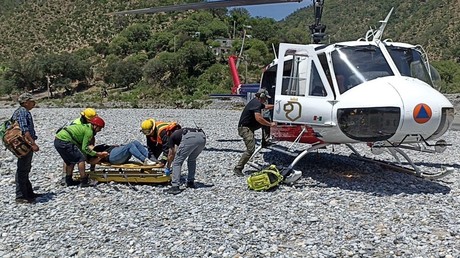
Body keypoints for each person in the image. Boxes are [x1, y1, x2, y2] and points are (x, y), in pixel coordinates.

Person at [54, 117, 109, 187]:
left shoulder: (84, 127)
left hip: (58, 141)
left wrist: (87, 154)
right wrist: (97, 154)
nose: (100, 130)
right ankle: (84, 180)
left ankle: (68, 180)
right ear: (95, 126)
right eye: (100, 128)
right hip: (65, 141)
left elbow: (80, 146)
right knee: (81, 160)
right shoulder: (89, 131)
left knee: (69, 161)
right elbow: (85, 148)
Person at [233, 88, 275, 176]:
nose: (266, 100)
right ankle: (238, 168)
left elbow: (265, 107)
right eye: (265, 98)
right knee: (250, 149)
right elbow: (258, 118)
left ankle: (265, 141)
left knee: (266, 120)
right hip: (245, 129)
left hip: (250, 126)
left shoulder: (256, 102)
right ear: (261, 96)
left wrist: (276, 106)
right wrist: (270, 124)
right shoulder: (257, 104)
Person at [11, 93, 41, 203]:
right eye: (32, 101)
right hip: (24, 144)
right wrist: (33, 144)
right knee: (23, 169)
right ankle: (20, 196)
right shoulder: (23, 112)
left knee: (25, 168)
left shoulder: (20, 111)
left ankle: (28, 192)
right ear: (26, 102)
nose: (34, 103)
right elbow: (25, 130)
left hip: (21, 144)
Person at [163, 127, 207, 194]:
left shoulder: (171, 137)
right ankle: (190, 182)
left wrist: (168, 167)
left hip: (189, 138)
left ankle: (175, 186)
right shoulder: (179, 133)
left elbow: (171, 154)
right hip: (202, 137)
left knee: (177, 163)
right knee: (192, 160)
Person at [86, 140, 157, 165]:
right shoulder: (89, 152)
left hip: (115, 152)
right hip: (112, 157)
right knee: (130, 145)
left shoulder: (95, 146)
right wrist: (101, 156)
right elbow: (91, 162)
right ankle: (144, 160)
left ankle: (149, 158)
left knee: (135, 142)